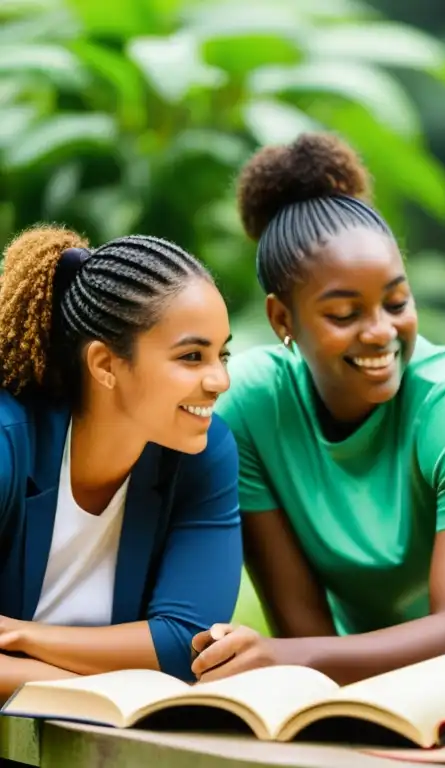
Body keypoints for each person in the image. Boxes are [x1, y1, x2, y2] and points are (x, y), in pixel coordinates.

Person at [188, 132, 445, 684]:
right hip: (374, 676)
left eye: (396, 302)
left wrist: (285, 659)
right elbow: (304, 632)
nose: (380, 332)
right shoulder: (252, 408)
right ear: (283, 320)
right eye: (345, 314)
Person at [0, 225, 240, 696]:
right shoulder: (9, 444)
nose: (220, 381)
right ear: (105, 365)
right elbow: (166, 665)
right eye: (192, 356)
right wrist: (103, 688)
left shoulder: (203, 454)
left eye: (222, 354)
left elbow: (186, 643)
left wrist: (23, 637)